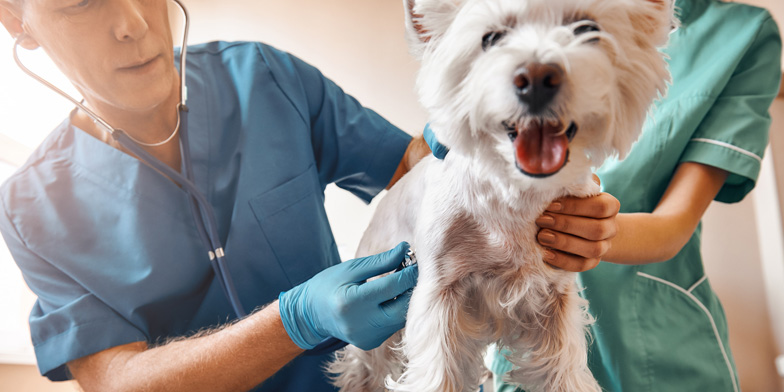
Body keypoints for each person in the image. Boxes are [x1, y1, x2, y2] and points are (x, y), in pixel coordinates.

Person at [0, 1, 619, 391]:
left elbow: (413, 168)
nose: (134, 23)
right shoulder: (31, 208)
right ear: (17, 19)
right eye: (81, 2)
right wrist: (294, 321)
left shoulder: (266, 78)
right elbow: (114, 381)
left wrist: (530, 190)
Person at [487, 0, 783, 391]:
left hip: (660, 344)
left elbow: (673, 224)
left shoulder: (742, 34)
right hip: (526, 332)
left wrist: (594, 234)